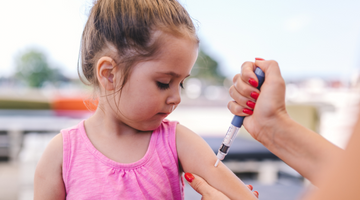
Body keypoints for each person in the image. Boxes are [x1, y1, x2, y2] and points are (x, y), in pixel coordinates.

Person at [33, 0, 258, 199]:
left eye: (180, 83)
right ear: (109, 74)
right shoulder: (61, 155)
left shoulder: (177, 142)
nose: (176, 98)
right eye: (163, 82)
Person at [184, 59, 360, 200]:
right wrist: (271, 125)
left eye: (181, 85)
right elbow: (353, 181)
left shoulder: (181, 138)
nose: (176, 99)